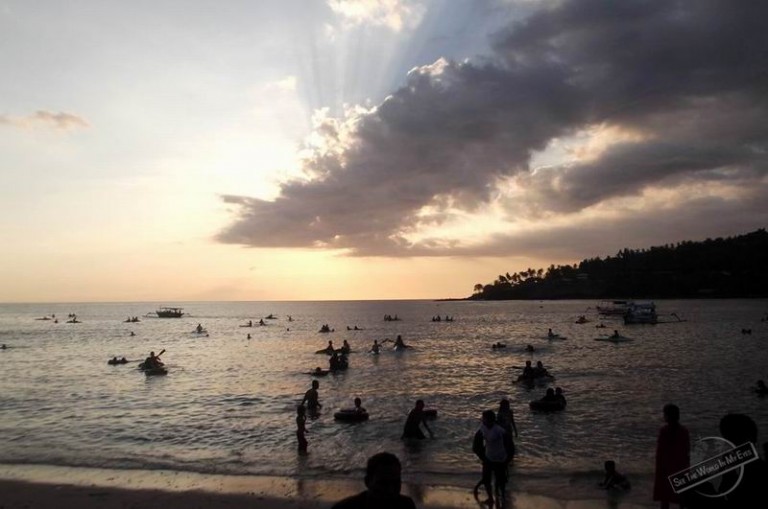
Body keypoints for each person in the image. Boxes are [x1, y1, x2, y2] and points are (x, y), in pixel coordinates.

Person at [330, 452, 416, 509]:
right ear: (367, 482)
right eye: (383, 483)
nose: (390, 489)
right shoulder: (346, 508)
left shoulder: (406, 505)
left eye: (396, 482)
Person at [473, 410, 513, 507]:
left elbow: (510, 444)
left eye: (484, 418)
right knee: (486, 479)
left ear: (489, 419)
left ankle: (502, 496)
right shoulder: (482, 428)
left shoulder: (499, 430)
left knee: (501, 480)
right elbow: (476, 445)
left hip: (500, 458)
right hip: (488, 458)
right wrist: (482, 456)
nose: (482, 420)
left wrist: (508, 458)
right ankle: (490, 498)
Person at [653, 404, 690, 509]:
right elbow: (686, 451)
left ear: (667, 415)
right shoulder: (684, 431)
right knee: (682, 496)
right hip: (680, 466)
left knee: (665, 497)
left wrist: (659, 468)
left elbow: (660, 452)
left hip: (666, 467)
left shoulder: (664, 431)